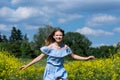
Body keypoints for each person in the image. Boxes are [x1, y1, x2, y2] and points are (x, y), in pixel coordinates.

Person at [20, 28, 95, 80]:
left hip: (60, 69)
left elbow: (74, 56)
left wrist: (86, 58)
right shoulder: (50, 47)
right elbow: (39, 57)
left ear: (63, 36)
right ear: (54, 36)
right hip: (50, 70)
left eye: (60, 35)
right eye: (57, 35)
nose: (58, 37)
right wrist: (26, 66)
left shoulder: (65, 47)